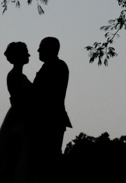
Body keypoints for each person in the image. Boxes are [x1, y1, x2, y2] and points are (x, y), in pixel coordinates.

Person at [0, 42, 33, 183]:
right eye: (25, 52)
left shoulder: (17, 75)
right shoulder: (15, 75)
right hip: (20, 118)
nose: (29, 55)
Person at [31, 37, 71, 183]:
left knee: (46, 164)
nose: (38, 50)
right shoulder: (54, 66)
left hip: (49, 121)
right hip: (51, 120)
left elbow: (41, 94)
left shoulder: (55, 66)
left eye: (41, 47)